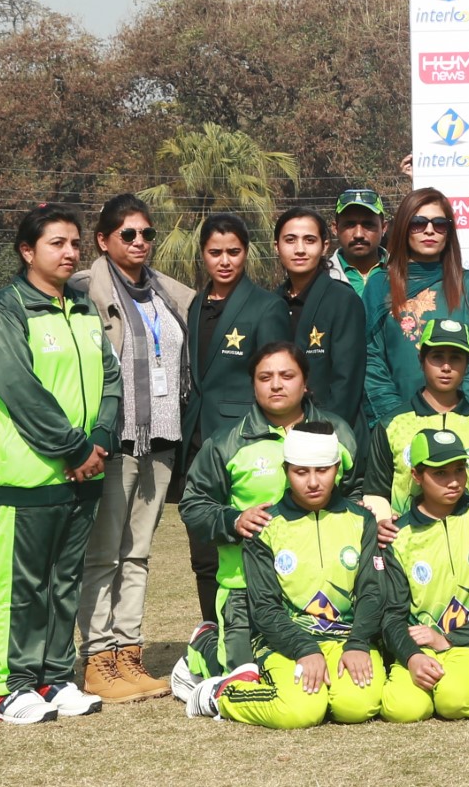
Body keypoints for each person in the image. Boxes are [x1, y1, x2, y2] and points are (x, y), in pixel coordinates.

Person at [0, 203, 120, 724]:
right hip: (30, 474)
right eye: (57, 243)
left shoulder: (82, 307)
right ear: (27, 251)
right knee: (21, 584)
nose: (69, 252)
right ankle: (6, 688)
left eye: (75, 243)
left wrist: (100, 438)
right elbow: (19, 388)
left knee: (65, 580)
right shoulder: (7, 307)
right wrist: (74, 448)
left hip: (86, 470)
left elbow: (110, 376)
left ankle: (53, 678)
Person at [174, 344, 360, 697]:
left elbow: (357, 489)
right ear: (253, 385)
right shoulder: (227, 444)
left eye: (287, 376)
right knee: (247, 678)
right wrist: (232, 519)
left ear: (305, 383)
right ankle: (206, 649)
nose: (276, 384)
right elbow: (194, 505)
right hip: (246, 587)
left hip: (319, 583)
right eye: (265, 377)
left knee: (314, 680)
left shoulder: (337, 432)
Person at [67, 193, 190, 704]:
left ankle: (129, 655)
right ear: (103, 240)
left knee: (137, 554)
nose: (140, 242)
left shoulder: (165, 292)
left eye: (147, 234)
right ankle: (98, 660)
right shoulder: (84, 291)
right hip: (113, 441)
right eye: (128, 234)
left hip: (161, 440)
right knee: (103, 555)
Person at [196, 426, 385, 726]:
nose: (312, 482)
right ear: (286, 471)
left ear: (337, 469)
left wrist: (359, 642)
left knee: (356, 707)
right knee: (301, 711)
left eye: (323, 470)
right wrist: (304, 648)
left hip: (345, 638)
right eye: (301, 472)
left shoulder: (362, 520)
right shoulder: (265, 527)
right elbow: (264, 607)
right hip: (284, 641)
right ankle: (221, 693)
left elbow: (373, 591)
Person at [182, 214, 291, 633]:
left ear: (246, 252)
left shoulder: (266, 306)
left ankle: (263, 634)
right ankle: (212, 631)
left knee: (256, 544)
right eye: (215, 253)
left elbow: (277, 379)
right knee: (204, 551)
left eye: (233, 252)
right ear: (203, 255)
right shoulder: (196, 304)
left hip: (247, 443)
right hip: (198, 442)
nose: (224, 261)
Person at [378, 429, 469, 722]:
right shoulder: (398, 535)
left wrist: (449, 638)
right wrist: (412, 657)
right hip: (422, 646)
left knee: (452, 701)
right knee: (403, 709)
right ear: (417, 475)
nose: (455, 481)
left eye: (460, 470)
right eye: (441, 473)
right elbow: (391, 615)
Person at [363, 188, 469, 429]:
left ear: (449, 232)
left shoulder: (467, 285)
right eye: (418, 223)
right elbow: (371, 360)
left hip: (461, 426)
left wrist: (457, 419)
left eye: (439, 224)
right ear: (404, 228)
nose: (429, 230)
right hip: (398, 425)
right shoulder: (380, 284)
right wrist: (399, 419)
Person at [360, 320, 469, 519]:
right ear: (421, 360)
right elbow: (376, 491)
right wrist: (382, 522)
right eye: (437, 357)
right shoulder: (391, 425)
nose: (446, 367)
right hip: (407, 541)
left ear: (467, 365)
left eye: (456, 358)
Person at [274, 208, 367, 428]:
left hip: (330, 430)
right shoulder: (272, 302)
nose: (299, 249)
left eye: (309, 240)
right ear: (276, 246)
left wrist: (326, 432)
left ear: (325, 246)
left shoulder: (343, 300)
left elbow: (347, 382)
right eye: (290, 240)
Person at [328, 188, 389, 298]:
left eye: (368, 225)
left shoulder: (405, 273)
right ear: (335, 229)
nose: (359, 234)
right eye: (349, 225)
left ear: (384, 228)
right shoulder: (322, 278)